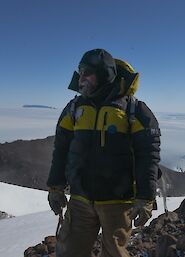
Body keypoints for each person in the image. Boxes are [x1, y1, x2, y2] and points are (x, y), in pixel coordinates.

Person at [47, 49, 161, 257]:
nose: (81, 78)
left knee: (114, 253)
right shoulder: (74, 108)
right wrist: (55, 186)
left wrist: (145, 197)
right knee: (69, 252)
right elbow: (61, 150)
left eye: (88, 72)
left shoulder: (134, 111)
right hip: (80, 199)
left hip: (118, 203)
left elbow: (148, 157)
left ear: (104, 74)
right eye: (80, 71)